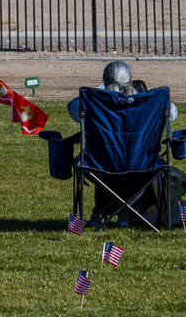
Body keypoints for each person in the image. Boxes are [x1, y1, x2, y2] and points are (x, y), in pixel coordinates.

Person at [66, 61, 178, 225]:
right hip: (144, 167)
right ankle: (127, 213)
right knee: (121, 163)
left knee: (106, 159)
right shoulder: (148, 103)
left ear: (104, 81)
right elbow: (172, 112)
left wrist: (102, 90)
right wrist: (140, 94)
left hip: (99, 167)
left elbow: (73, 108)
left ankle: (102, 213)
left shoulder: (92, 102)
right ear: (131, 81)